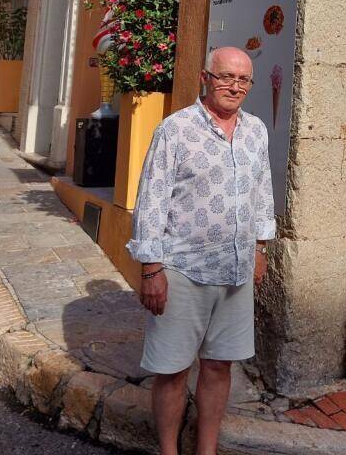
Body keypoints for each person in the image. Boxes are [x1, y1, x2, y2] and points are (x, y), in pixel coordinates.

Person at [127, 46, 275, 455]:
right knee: (172, 370)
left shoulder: (256, 131)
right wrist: (152, 269)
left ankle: (206, 449)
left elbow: (262, 193)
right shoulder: (174, 131)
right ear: (205, 78)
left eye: (244, 80)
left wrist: (260, 247)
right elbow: (151, 201)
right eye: (226, 77)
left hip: (236, 271)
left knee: (218, 365)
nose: (235, 86)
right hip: (182, 270)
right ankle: (168, 450)